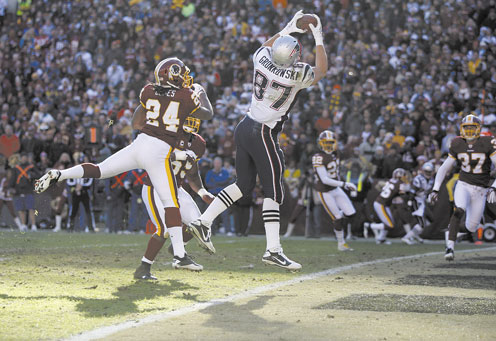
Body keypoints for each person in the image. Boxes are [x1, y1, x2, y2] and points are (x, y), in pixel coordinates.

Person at [35, 58, 213, 267]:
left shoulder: (148, 90)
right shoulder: (185, 95)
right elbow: (207, 114)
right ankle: (180, 256)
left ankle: (60, 174)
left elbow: (137, 121)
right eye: (181, 73)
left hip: (140, 143)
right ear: (173, 73)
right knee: (171, 203)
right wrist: (201, 94)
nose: (185, 77)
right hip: (159, 150)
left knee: (100, 170)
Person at [188, 11, 327, 270]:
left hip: (245, 126)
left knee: (243, 184)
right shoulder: (294, 75)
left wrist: (287, 28)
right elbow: (321, 70)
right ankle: (273, 249)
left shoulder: (261, 58)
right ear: (293, 57)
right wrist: (318, 36)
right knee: (273, 190)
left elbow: (266, 45)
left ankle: (203, 221)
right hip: (262, 132)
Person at [134, 117, 214, 279]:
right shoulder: (167, 134)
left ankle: (178, 250)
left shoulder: (199, 143)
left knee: (198, 225)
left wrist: (202, 192)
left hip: (176, 189)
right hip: (155, 187)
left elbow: (192, 173)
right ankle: (144, 268)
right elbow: (157, 157)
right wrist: (182, 155)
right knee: (164, 229)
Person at [428, 115, 496, 261]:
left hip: (481, 189)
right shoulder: (457, 143)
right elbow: (444, 168)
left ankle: (450, 233)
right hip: (464, 184)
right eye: (466, 128)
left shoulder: (487, 142)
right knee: (458, 210)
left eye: (472, 127)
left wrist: (493, 187)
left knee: (471, 227)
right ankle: (450, 248)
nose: (468, 131)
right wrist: (435, 188)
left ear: (478, 128)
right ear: (461, 128)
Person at [312, 130, 357, 251]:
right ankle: (341, 243)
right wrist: (344, 184)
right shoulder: (318, 157)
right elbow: (325, 179)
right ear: (320, 143)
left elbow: (348, 153)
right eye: (325, 142)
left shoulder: (336, 153)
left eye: (330, 142)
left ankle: (338, 222)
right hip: (324, 191)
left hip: (335, 189)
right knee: (337, 217)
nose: (328, 145)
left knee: (351, 213)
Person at [371, 168, 411, 244]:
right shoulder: (400, 184)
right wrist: (407, 183)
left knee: (390, 222)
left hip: (383, 204)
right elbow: (405, 191)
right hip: (381, 204)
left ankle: (381, 239)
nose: (405, 177)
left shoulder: (390, 181)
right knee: (390, 225)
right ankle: (370, 226)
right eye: (403, 176)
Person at [401, 162, 434, 244]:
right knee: (422, 223)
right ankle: (406, 237)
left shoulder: (432, 180)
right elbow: (413, 190)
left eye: (429, 171)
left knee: (430, 219)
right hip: (416, 200)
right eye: (426, 171)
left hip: (422, 201)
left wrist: (429, 199)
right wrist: (410, 201)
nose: (428, 173)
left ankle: (415, 234)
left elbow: (428, 192)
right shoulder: (418, 179)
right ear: (423, 171)